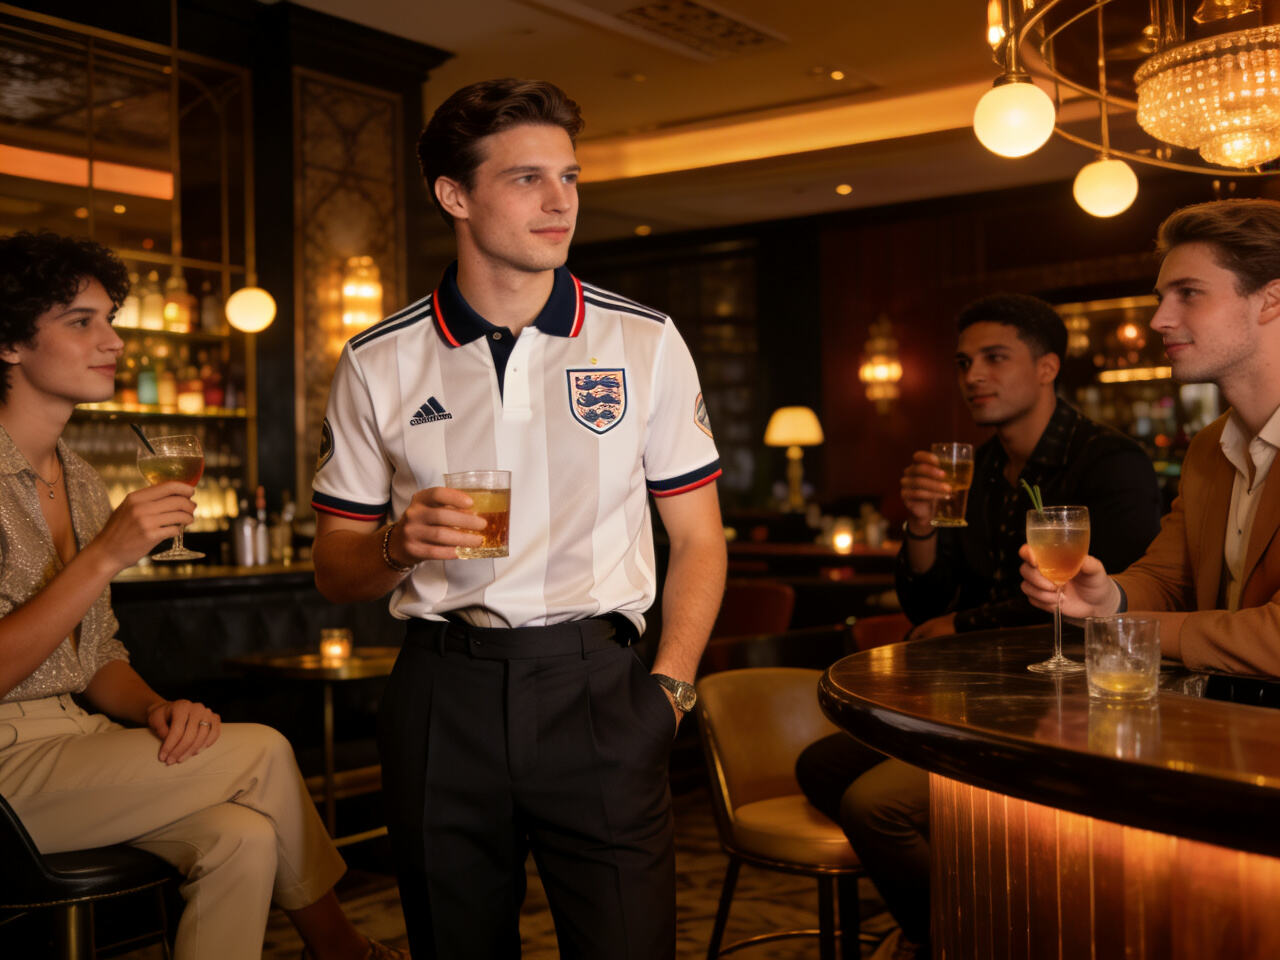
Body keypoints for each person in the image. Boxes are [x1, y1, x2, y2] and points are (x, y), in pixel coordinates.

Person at [310, 78, 726, 959]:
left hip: (600, 689)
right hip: (441, 697)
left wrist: (671, 693)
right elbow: (333, 567)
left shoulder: (642, 340)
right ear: (454, 196)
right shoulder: (377, 360)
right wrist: (396, 543)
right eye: (528, 179)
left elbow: (699, 539)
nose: (561, 200)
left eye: (568, 176)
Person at [0, 230, 407, 960]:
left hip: (77, 743)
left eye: (112, 320)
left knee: (243, 836)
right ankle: (341, 949)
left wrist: (155, 707)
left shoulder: (83, 478)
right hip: (4, 768)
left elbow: (97, 658)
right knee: (265, 751)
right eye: (81, 322)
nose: (113, 341)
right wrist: (105, 557)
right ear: (9, 344)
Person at [796, 293, 1162, 960]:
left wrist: (961, 623)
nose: (972, 377)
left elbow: (1113, 599)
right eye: (965, 362)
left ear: (1048, 367)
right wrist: (921, 524)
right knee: (822, 765)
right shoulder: (984, 467)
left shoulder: (1110, 462)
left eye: (995, 358)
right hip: (981, 692)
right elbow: (929, 600)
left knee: (875, 807)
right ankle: (976, 915)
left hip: (1073, 697)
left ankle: (961, 939)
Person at [1022, 198, 1280, 679]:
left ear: (1271, 299)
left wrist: (1125, 627)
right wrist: (1108, 596)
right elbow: (1168, 576)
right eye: (1162, 297)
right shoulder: (1210, 446)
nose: (1158, 319)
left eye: (1189, 293)